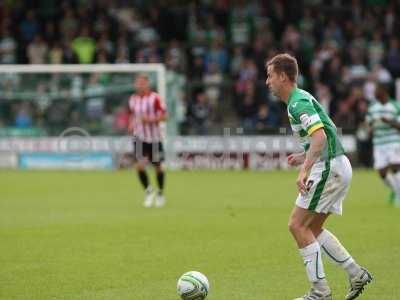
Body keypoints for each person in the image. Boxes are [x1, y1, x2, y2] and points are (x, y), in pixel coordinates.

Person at [265, 53, 372, 300]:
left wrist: (305, 169)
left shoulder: (296, 103)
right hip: (336, 165)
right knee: (311, 227)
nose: (267, 81)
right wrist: (304, 157)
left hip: (329, 168)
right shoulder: (302, 98)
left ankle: (320, 291)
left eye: (270, 76)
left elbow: (321, 136)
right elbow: (329, 129)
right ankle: (356, 274)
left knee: (296, 225)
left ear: (283, 76)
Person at [128, 74, 168, 207]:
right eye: (137, 82)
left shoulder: (155, 98)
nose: (139, 85)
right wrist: (131, 124)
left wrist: (149, 120)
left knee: (158, 168)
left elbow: (165, 116)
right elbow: (133, 115)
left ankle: (161, 193)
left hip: (154, 139)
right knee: (139, 166)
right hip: (139, 137)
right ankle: (149, 191)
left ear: (147, 84)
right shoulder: (133, 99)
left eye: (142, 82)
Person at [366, 83, 400, 206]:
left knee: (395, 167)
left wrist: (389, 122)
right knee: (382, 172)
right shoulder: (372, 107)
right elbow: (368, 123)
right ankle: (396, 191)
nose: (374, 92)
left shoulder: (395, 106)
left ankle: (398, 196)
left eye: (377, 89)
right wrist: (369, 127)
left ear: (384, 90)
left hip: (393, 142)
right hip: (379, 144)